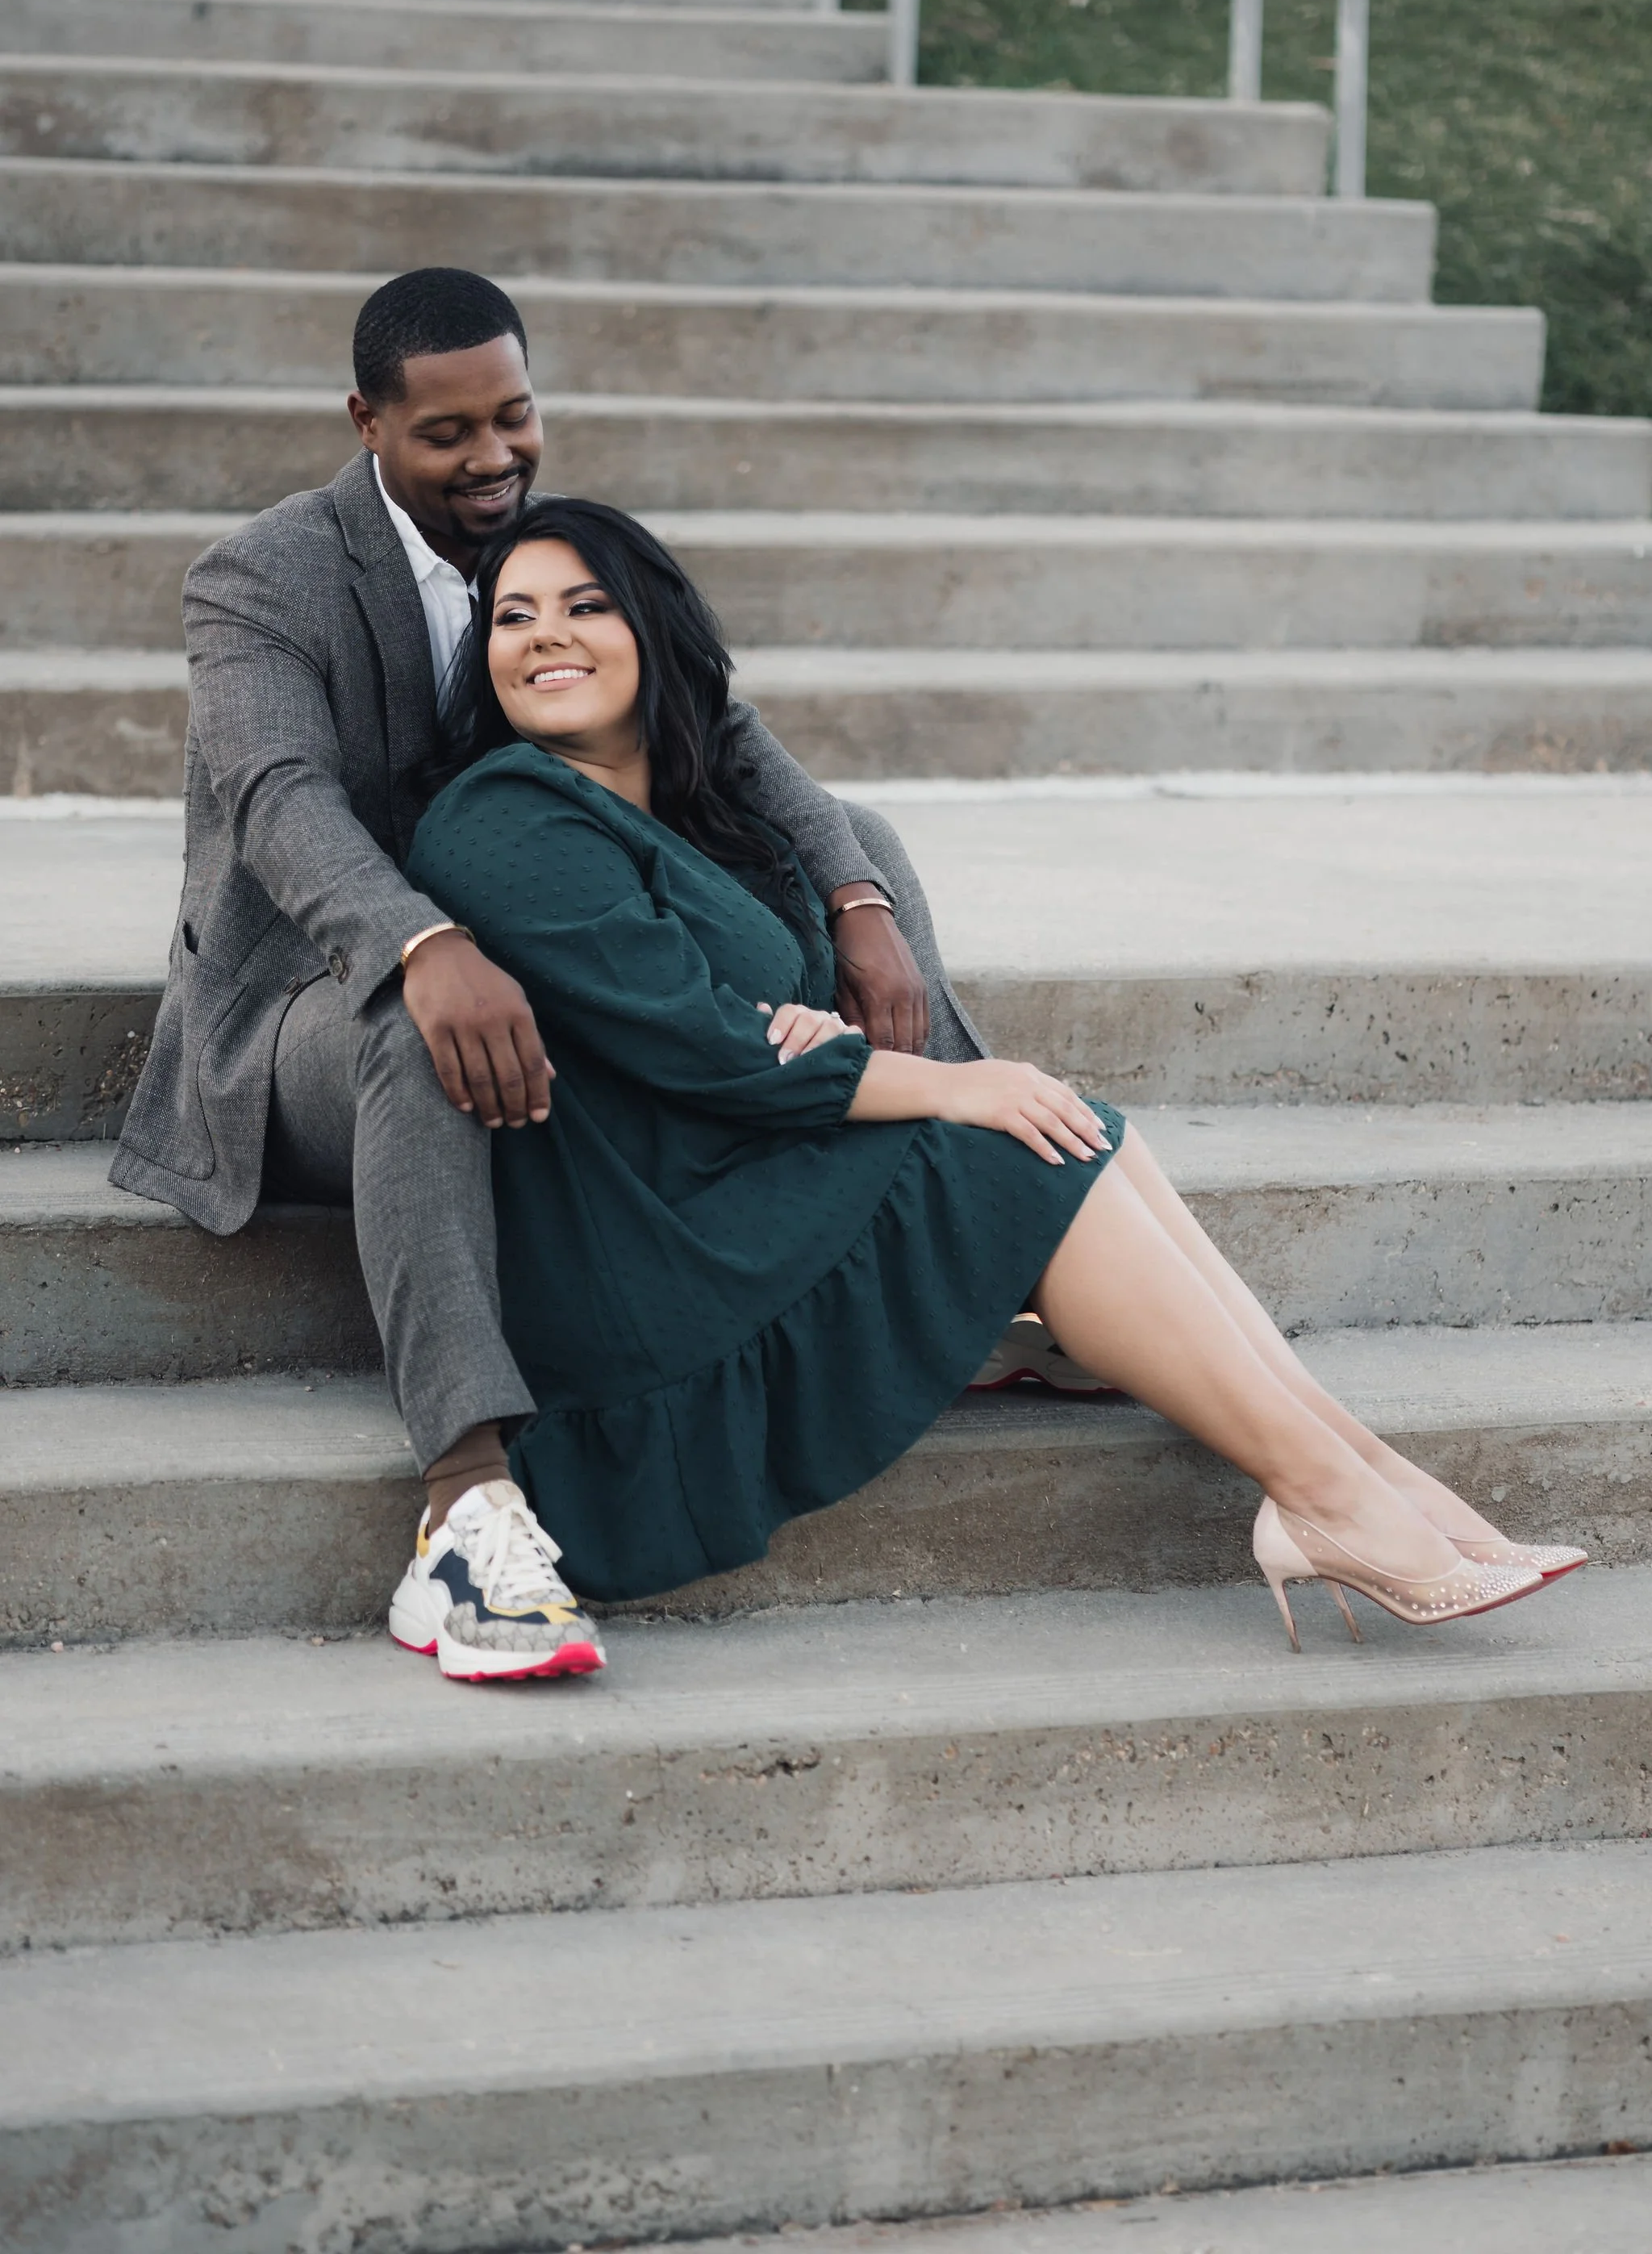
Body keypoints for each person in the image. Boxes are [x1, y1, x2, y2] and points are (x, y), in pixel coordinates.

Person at [392, 493, 1587, 1676]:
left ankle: (1368, 1478)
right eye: (512, 617)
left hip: (730, 1175)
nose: (544, 634)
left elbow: (736, 1016)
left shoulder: (708, 814)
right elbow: (703, 1046)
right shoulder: (504, 816)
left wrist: (803, 1024)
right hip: (649, 1250)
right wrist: (929, 1081)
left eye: (585, 605)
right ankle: (1327, 1493)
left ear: (654, 630)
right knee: (1014, 1127)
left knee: (1078, 1129)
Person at [112, 267, 1015, 1682]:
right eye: (449, 434)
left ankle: (947, 1242)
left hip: (528, 958)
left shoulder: (543, 547)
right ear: (367, 423)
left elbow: (728, 728)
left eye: (515, 419)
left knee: (866, 845)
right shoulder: (263, 576)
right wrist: (422, 940)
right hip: (304, 1005)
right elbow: (281, 798)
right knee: (413, 1026)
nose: (492, 458)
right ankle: (465, 1505)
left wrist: (855, 893)